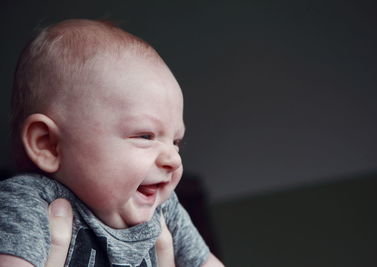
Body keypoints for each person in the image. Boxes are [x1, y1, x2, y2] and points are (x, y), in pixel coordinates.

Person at [0, 19, 224, 266]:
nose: (173, 158)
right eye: (145, 136)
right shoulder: (29, 203)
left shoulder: (165, 210)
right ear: (49, 144)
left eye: (176, 141)